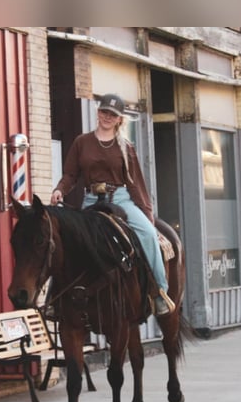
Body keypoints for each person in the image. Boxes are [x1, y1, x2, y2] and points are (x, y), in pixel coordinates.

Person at [50, 93, 176, 316]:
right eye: (105, 112)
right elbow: (70, 174)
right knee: (68, 241)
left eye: (113, 115)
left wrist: (147, 213)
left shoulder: (125, 147)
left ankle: (159, 293)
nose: (108, 117)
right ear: (98, 112)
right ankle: (55, 298)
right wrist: (60, 189)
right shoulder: (82, 142)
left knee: (147, 234)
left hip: (120, 200)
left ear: (119, 119)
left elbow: (135, 183)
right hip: (90, 200)